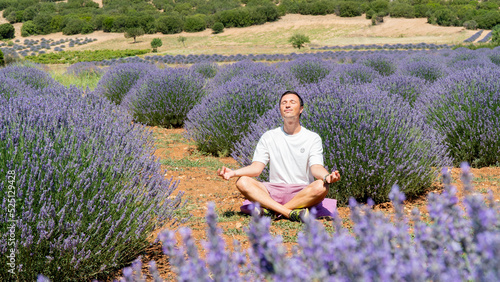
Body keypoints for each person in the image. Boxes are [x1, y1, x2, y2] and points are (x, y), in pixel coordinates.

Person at [217, 90, 340, 222]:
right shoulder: (269, 136)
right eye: (284, 103)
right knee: (242, 181)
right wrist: (233, 173)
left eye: (292, 102)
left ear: (301, 109)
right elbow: (256, 168)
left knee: (322, 186)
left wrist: (327, 177)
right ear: (280, 110)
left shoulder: (312, 138)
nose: (287, 105)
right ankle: (289, 212)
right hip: (273, 191)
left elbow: (316, 168)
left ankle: (273, 210)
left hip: (302, 192)